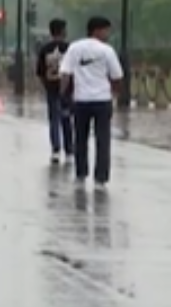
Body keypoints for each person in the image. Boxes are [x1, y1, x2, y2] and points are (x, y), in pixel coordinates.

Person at [59, 16, 124, 189]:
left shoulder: (74, 48)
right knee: (103, 138)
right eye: (106, 30)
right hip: (102, 99)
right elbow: (117, 76)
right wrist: (115, 93)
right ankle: (100, 178)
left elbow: (65, 73)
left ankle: (81, 173)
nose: (108, 34)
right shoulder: (107, 50)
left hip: (81, 99)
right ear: (97, 30)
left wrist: (62, 95)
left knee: (80, 137)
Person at [35, 19, 73, 164]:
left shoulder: (44, 49)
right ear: (63, 31)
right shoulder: (70, 48)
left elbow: (40, 72)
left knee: (54, 120)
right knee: (67, 120)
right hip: (67, 89)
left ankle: (56, 149)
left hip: (51, 88)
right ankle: (69, 150)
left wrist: (46, 85)